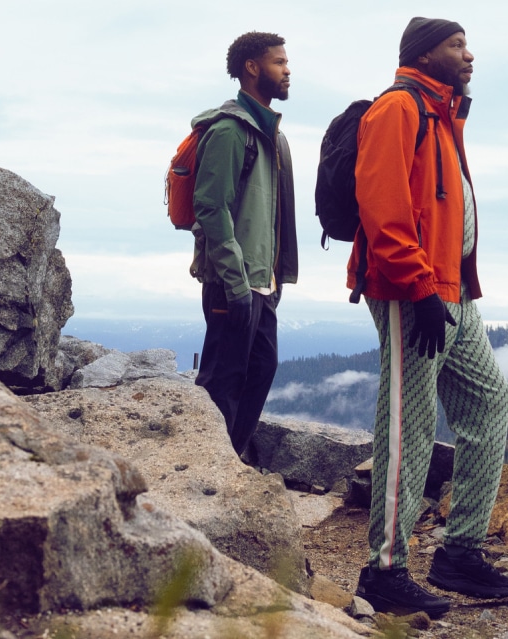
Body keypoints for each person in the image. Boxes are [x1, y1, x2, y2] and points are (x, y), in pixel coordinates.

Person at [349, 17, 508, 618]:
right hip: (412, 290)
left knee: (488, 400)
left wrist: (445, 287)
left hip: (452, 291)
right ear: (427, 54)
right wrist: (417, 286)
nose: (470, 54)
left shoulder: (442, 112)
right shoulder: (398, 109)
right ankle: (385, 571)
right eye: (457, 45)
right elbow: (382, 202)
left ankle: (460, 552)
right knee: (410, 420)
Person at [191, 31, 298, 457]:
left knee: (260, 369)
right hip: (232, 283)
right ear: (252, 68)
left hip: (261, 283)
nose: (287, 70)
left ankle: (231, 464)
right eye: (278, 62)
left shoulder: (270, 134)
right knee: (223, 380)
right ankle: (206, 473)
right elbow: (210, 208)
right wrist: (236, 283)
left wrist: (275, 277)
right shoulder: (231, 130)